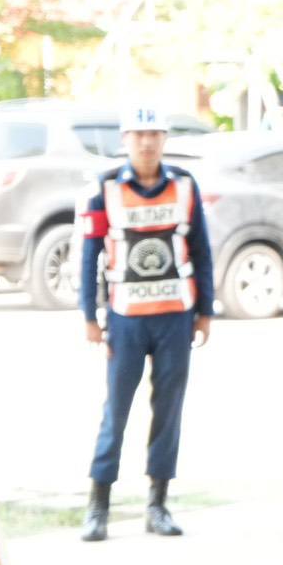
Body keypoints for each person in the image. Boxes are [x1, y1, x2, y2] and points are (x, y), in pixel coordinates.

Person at [76, 105, 214, 542]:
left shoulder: (184, 185)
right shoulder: (105, 188)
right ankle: (98, 505)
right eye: (138, 135)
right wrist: (89, 315)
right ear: (125, 140)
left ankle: (158, 504)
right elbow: (90, 254)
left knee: (168, 410)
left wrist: (205, 311)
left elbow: (202, 249)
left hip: (175, 317)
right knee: (116, 410)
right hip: (126, 320)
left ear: (165, 139)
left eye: (154, 134)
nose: (147, 142)